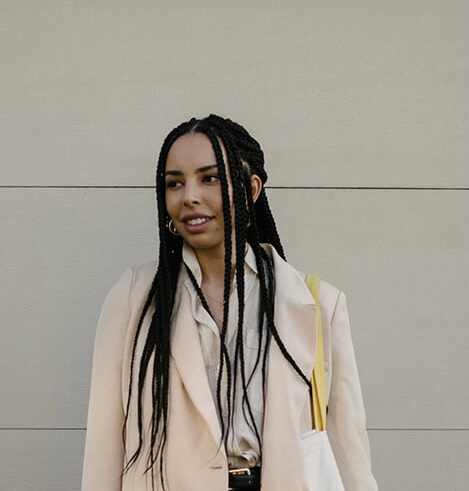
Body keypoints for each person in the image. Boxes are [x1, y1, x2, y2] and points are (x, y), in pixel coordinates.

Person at [81, 115, 378, 491]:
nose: (189, 196)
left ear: (251, 189)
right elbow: (104, 453)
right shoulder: (131, 300)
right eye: (175, 183)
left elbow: (349, 456)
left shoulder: (319, 304)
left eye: (210, 178)